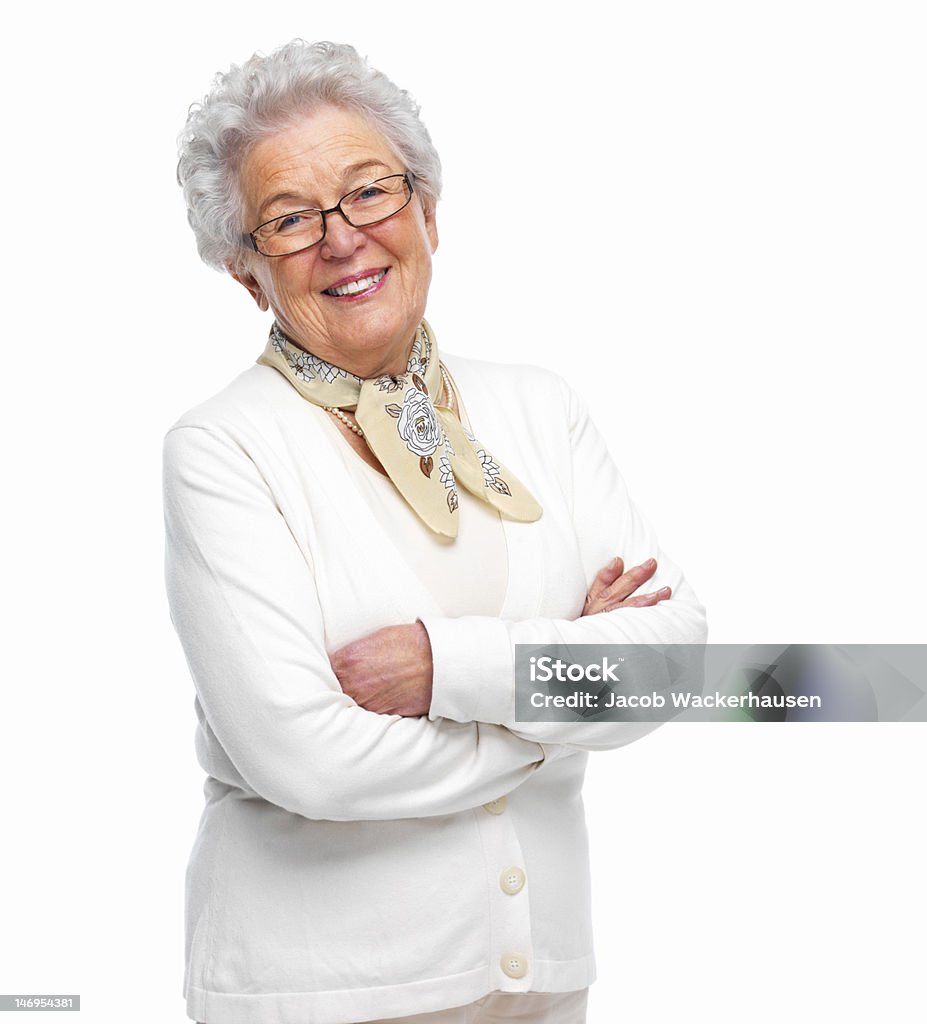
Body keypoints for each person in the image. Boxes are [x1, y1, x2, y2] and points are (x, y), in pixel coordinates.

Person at [165, 39, 706, 1024]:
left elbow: (668, 664)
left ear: (428, 211)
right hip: (316, 994)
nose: (342, 238)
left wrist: (440, 669)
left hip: (539, 982)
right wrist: (558, 711)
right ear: (248, 275)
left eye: (371, 191)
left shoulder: (540, 408)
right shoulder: (222, 449)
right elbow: (308, 756)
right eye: (290, 219)